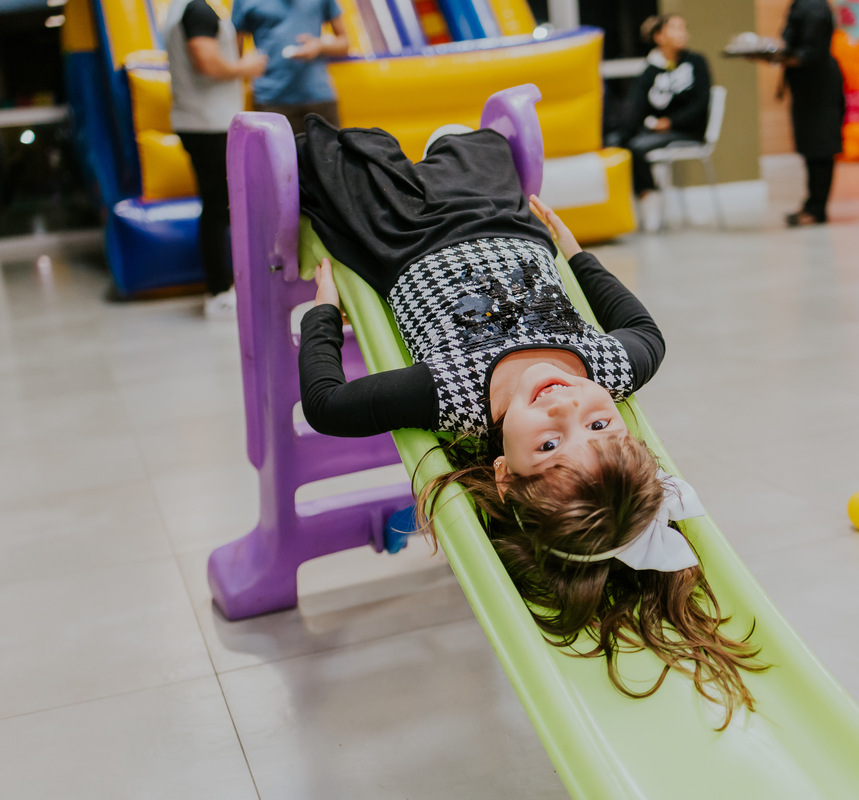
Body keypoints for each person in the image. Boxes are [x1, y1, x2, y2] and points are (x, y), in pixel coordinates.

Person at [295, 117, 764, 722]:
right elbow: (648, 333)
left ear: (505, 473)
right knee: (475, 141)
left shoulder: (454, 395)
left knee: (331, 149)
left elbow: (327, 404)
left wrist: (323, 314)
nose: (569, 407)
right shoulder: (605, 366)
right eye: (600, 427)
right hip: (504, 220)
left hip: (402, 237)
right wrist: (577, 253)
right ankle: (454, 145)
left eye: (548, 444)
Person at [164, 0, 267, 320]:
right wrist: (246, 67)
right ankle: (220, 291)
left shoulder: (179, 9)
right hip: (209, 124)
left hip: (198, 121)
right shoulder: (198, 10)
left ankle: (221, 288)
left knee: (217, 207)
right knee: (219, 208)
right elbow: (206, 62)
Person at [619, 14, 713, 233]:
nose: (682, 34)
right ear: (659, 36)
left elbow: (701, 103)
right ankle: (644, 196)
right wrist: (625, 133)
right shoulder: (652, 69)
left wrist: (670, 122)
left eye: (683, 28)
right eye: (675, 29)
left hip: (688, 130)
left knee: (637, 147)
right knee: (622, 142)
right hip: (658, 131)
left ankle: (651, 196)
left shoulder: (696, 62)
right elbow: (639, 106)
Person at [777, 0, 846, 227]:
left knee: (821, 148)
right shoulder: (801, 4)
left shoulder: (815, 7)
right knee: (809, 147)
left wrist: (783, 58)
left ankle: (817, 208)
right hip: (806, 87)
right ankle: (811, 204)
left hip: (820, 86)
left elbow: (811, 51)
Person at [231, 0, 348, 132]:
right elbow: (235, 55)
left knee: (330, 151)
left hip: (319, 97)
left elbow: (344, 43)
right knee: (276, 153)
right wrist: (246, 65)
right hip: (271, 100)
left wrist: (320, 46)